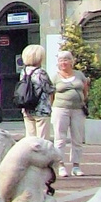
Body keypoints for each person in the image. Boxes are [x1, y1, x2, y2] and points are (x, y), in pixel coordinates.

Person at [50, 50, 87, 178]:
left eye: (66, 59)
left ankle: (76, 166)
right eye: (61, 60)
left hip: (78, 110)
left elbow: (85, 90)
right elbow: (51, 95)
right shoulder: (55, 77)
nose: (63, 63)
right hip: (60, 109)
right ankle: (61, 165)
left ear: (72, 61)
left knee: (77, 138)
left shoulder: (79, 75)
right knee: (60, 138)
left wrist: (81, 101)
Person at [16, 45, 51, 139]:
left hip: (27, 107)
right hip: (41, 109)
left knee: (30, 139)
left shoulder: (24, 72)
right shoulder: (41, 72)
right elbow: (49, 89)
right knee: (42, 140)